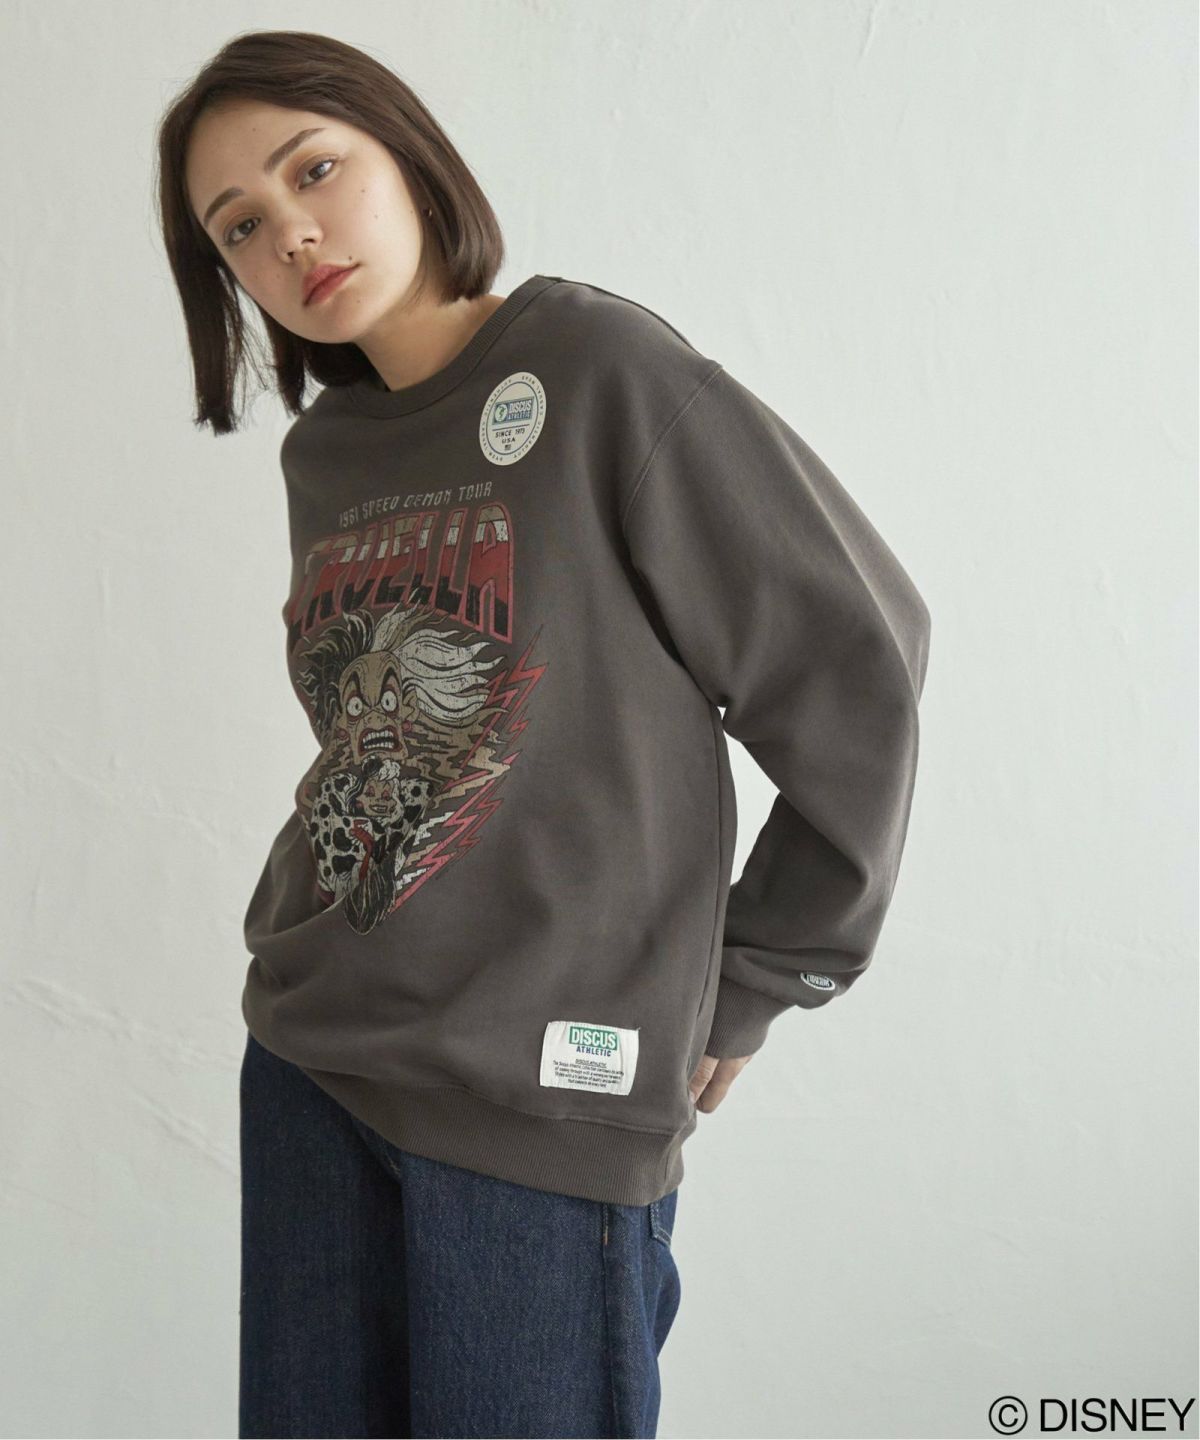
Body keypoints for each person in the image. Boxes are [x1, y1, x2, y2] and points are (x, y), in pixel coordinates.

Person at [156, 27, 932, 1440]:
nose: (292, 234)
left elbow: (853, 663)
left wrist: (768, 968)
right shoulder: (326, 454)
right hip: (316, 1056)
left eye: (314, 170)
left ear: (409, 154)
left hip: (545, 1094)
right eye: (241, 226)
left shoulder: (596, 367)